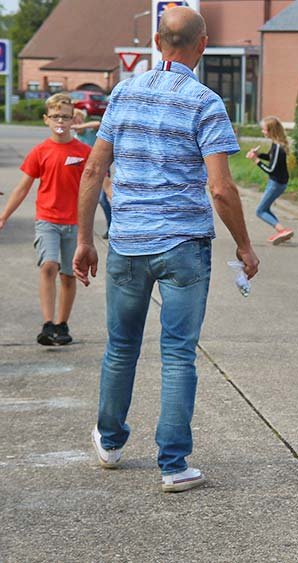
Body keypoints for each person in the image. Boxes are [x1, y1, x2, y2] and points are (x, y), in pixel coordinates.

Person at [73, 6, 260, 493]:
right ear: (202, 45)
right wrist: (244, 245)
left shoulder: (123, 93)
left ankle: (110, 443)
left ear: (157, 43)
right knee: (178, 355)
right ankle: (174, 466)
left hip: (128, 244)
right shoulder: (205, 102)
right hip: (184, 247)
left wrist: (82, 240)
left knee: (121, 348)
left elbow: (93, 170)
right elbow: (221, 189)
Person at [0, 93, 90, 346]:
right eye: (55, 116)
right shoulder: (40, 151)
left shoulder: (83, 152)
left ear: (73, 120)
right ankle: (48, 323)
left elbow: (100, 184)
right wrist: (4, 215)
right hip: (47, 220)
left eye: (65, 116)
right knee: (48, 265)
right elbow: (22, 188)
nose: (60, 120)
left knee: (68, 275)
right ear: (46, 120)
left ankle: (62, 325)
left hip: (75, 223)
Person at [245, 115, 294, 245]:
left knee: (260, 211)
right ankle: (282, 231)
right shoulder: (275, 145)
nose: (263, 132)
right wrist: (259, 155)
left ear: (271, 131)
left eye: (264, 130)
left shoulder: (278, 147)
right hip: (277, 182)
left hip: (277, 183)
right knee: (265, 208)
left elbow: (271, 169)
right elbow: (272, 159)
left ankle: (282, 230)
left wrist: (256, 161)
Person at [71, 109, 113, 239]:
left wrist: (80, 126)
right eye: (73, 119)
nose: (75, 121)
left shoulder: (91, 132)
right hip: (84, 172)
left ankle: (111, 226)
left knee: (102, 199)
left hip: (99, 169)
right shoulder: (75, 138)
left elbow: (98, 124)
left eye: (77, 118)